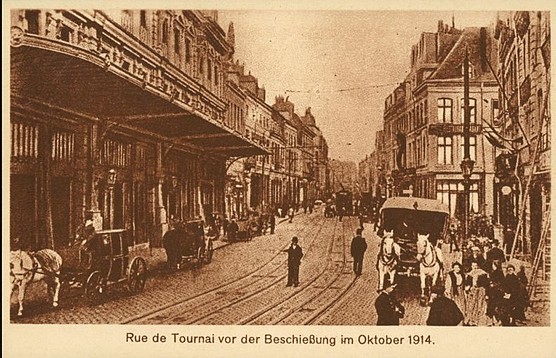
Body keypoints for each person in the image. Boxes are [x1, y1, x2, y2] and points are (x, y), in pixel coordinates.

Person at [464, 260, 489, 326]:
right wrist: (468, 288)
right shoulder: (470, 274)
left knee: (480, 305)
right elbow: (468, 284)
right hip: (472, 291)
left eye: (475, 266)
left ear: (478, 266)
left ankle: (479, 320)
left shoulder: (482, 273)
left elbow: (486, 285)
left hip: (481, 291)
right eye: (473, 266)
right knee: (472, 305)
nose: (474, 267)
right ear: (471, 266)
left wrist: (486, 294)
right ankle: (472, 320)